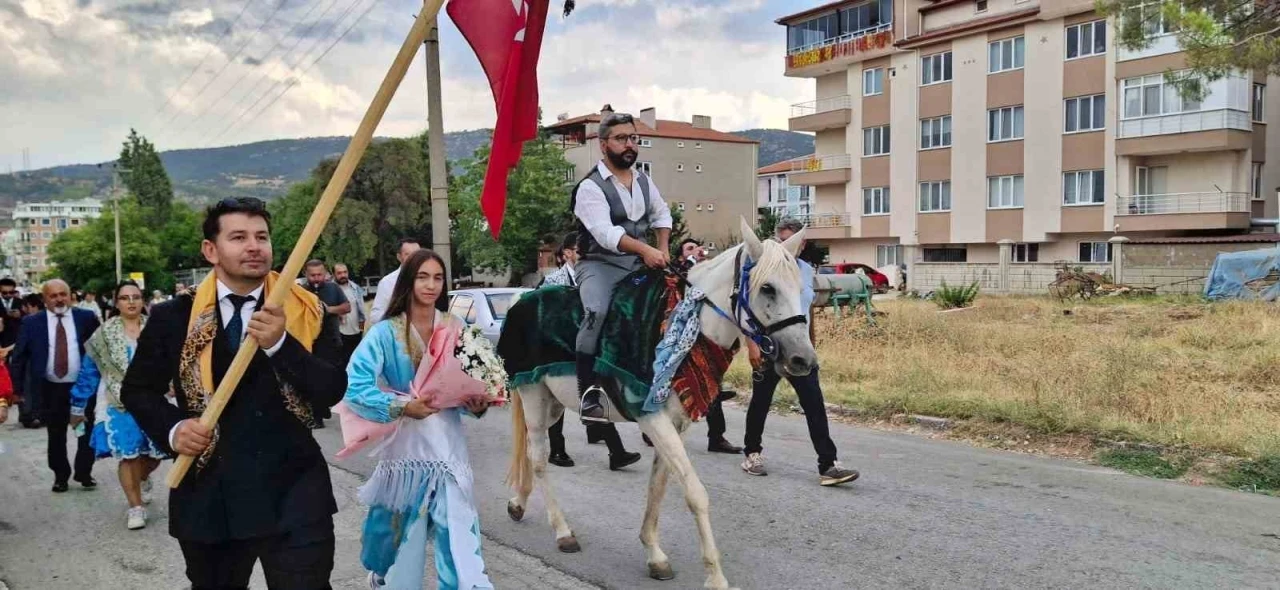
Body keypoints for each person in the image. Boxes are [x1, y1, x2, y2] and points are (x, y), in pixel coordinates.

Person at [121, 197, 347, 589]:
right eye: (239, 237)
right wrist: (175, 430)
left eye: (262, 237)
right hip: (209, 496)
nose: (254, 246)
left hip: (294, 494)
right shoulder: (174, 317)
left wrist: (281, 345)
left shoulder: (306, 310)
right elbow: (138, 390)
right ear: (211, 250)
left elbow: (331, 389)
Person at [344, 249, 495, 589]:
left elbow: (469, 386)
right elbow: (354, 386)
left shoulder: (456, 327)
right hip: (406, 450)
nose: (431, 285)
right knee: (400, 538)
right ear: (408, 281)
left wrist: (476, 403)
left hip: (449, 448)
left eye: (438, 278)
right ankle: (385, 579)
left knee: (458, 535)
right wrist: (401, 406)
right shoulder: (385, 332)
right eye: (422, 277)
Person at [740, 219, 859, 487]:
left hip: (798, 349)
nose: (785, 245)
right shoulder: (763, 268)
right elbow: (747, 308)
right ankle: (752, 454)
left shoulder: (804, 270)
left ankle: (828, 464)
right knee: (760, 402)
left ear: (801, 244)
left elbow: (805, 311)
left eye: (790, 240)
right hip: (769, 346)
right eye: (781, 239)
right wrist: (751, 345)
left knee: (814, 403)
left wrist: (810, 344)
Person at [571, 111, 672, 426]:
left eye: (633, 138)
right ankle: (588, 393)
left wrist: (663, 248)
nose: (629, 144)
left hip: (638, 263)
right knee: (597, 311)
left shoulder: (643, 180)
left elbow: (662, 214)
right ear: (603, 145)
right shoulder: (589, 187)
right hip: (599, 264)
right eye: (621, 139)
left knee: (677, 302)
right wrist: (646, 250)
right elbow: (606, 234)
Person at [540, 232, 641, 470]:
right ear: (567, 253)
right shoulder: (554, 281)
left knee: (597, 391)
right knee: (557, 398)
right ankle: (557, 449)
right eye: (581, 251)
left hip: (591, 346)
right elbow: (544, 313)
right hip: (561, 347)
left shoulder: (604, 277)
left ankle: (613, 448)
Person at [69, 281, 164, 530]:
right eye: (124, 298)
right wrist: (78, 406)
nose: (131, 302)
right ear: (116, 302)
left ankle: (142, 478)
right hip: (116, 399)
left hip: (153, 398)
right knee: (127, 453)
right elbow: (89, 372)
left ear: (143, 300)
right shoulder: (103, 334)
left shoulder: (157, 328)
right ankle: (135, 507)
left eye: (136, 297)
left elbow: (175, 360)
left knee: (155, 454)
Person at [10, 279, 102, 492]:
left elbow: (100, 350)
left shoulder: (86, 318)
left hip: (83, 386)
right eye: (53, 296)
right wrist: (17, 390)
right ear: (44, 299)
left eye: (63, 294)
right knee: (56, 433)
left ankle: (84, 471)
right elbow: (19, 357)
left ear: (70, 296)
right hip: (51, 387)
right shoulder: (32, 323)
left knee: (87, 430)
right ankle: (61, 476)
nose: (59, 299)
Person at [304, 259, 352, 429]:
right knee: (313, 379)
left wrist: (328, 309)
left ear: (325, 274)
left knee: (330, 378)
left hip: (331, 341)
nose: (316, 278)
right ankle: (317, 414)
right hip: (309, 342)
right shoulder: (301, 291)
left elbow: (347, 307)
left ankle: (324, 405)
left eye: (320, 274)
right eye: (312, 275)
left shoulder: (333, 288)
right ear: (305, 274)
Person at [368, 238, 423, 325]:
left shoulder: (430, 280)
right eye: (408, 254)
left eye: (417, 254)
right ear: (399, 257)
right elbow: (375, 316)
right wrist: (397, 319)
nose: (414, 258)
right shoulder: (387, 282)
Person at [333, 263, 367, 363]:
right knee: (342, 363)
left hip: (356, 332)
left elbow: (361, 312)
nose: (343, 275)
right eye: (339, 273)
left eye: (345, 272)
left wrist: (361, 330)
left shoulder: (355, 288)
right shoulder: (330, 289)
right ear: (334, 274)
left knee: (356, 361)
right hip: (339, 333)